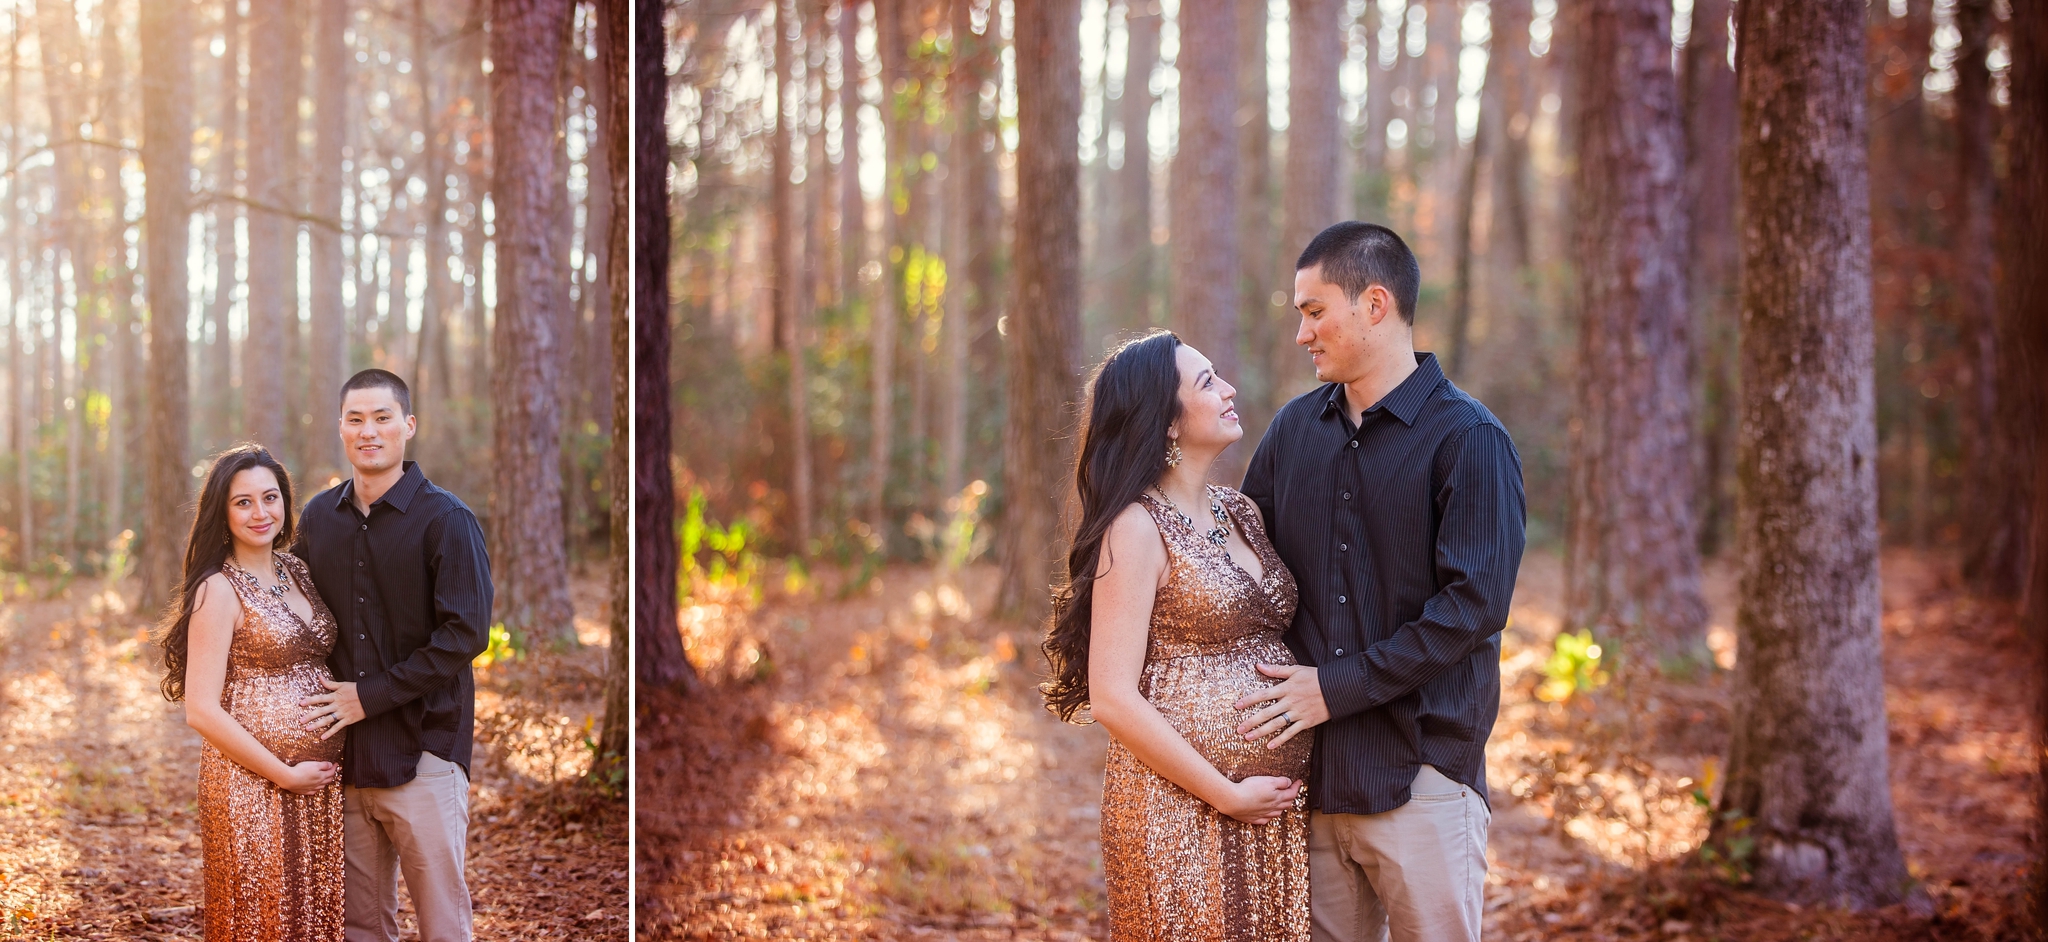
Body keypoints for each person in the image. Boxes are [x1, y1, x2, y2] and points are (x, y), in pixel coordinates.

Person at [1235, 222, 1525, 942]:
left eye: (1313, 311)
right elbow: (1246, 576)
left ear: (1374, 303)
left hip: (1422, 776)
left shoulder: (1469, 439)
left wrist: (1336, 687)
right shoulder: (1292, 433)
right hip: (1311, 784)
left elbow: (1472, 607)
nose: (1303, 334)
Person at [1042, 330, 1311, 942]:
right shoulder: (1135, 528)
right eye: (1207, 383)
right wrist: (1226, 794)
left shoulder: (1240, 512)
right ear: (1166, 421)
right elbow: (1112, 696)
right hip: (1180, 811)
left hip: (1271, 815)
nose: (1229, 389)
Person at [294, 369, 493, 942]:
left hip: (424, 752)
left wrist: (368, 697)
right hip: (346, 760)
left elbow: (464, 636)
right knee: (360, 926)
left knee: (442, 924)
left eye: (382, 418)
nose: (368, 431)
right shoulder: (316, 519)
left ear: (408, 426)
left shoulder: (447, 520)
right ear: (340, 428)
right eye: (355, 419)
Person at [160, 443, 345, 941]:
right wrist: (284, 774)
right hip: (252, 786)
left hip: (318, 788)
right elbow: (200, 710)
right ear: (222, 511)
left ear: (286, 503)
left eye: (270, 498)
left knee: (309, 919)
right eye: (244, 502)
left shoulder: (298, 572)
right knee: (264, 917)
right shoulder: (217, 590)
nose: (260, 512)